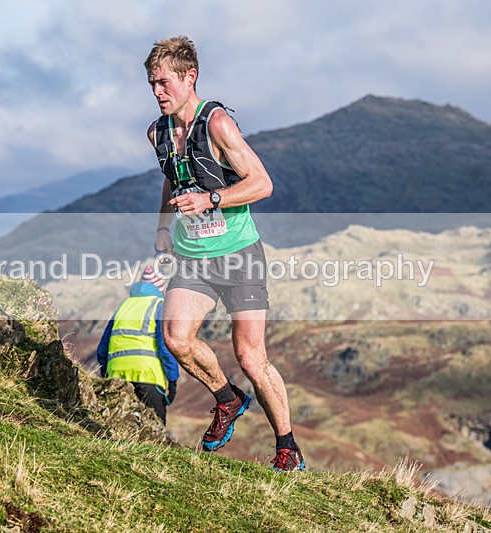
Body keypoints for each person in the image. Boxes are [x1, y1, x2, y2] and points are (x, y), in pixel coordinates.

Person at [144, 35, 304, 471]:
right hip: (192, 256)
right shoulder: (157, 132)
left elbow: (262, 184)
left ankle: (287, 447)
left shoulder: (216, 123)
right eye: (152, 83)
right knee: (176, 338)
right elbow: (172, 177)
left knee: (251, 357)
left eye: (163, 82)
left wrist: (212, 199)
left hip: (238, 254)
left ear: (189, 77)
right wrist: (162, 227)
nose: (157, 92)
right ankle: (227, 399)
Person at [96, 266, 179, 425]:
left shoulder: (122, 307)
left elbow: (102, 349)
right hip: (147, 374)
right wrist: (173, 379)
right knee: (156, 424)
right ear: (161, 289)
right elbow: (165, 346)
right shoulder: (159, 305)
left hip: (116, 373)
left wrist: (106, 374)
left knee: (117, 425)